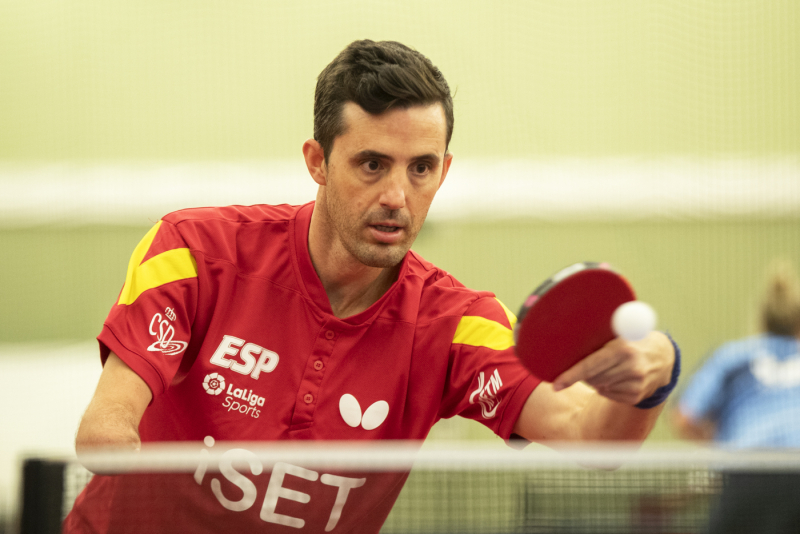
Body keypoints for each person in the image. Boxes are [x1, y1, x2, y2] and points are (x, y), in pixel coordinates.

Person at [65, 40, 678, 533]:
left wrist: (655, 372)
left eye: (421, 169)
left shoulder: (455, 324)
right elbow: (104, 432)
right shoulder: (195, 253)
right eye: (371, 164)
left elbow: (589, 435)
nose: (396, 197)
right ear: (317, 161)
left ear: (444, 170)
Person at [672, 260, 800, 534]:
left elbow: (685, 418)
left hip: (749, 472)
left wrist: (721, 441)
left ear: (762, 319)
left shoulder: (732, 355)